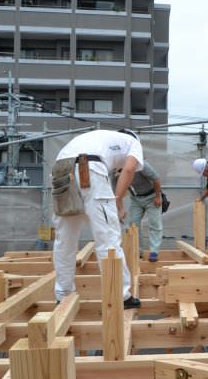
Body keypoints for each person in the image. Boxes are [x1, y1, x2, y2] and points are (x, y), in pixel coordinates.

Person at [51, 128, 143, 308]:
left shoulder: (100, 138)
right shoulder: (133, 142)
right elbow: (130, 169)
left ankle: (63, 295)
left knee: (65, 239)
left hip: (60, 170)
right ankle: (120, 295)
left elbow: (121, 172)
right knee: (107, 238)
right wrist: (116, 200)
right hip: (89, 167)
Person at [124, 161, 165, 262]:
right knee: (133, 224)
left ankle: (154, 252)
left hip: (152, 197)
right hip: (136, 198)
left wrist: (158, 196)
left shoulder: (141, 164)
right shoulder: (117, 168)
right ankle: (137, 252)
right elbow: (115, 188)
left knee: (154, 223)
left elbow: (156, 179)